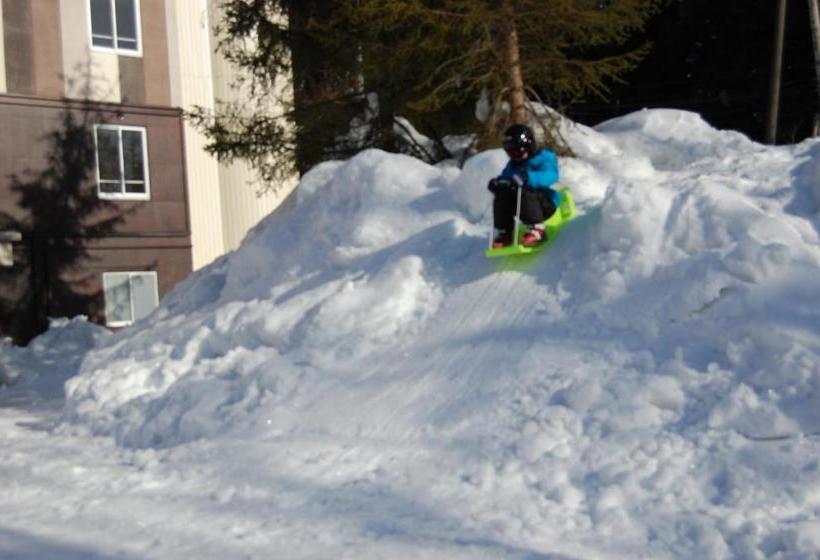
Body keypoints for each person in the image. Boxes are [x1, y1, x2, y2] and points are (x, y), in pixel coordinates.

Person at [487, 124, 561, 248]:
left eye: (518, 153)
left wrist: (528, 177)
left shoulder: (544, 159)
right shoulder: (513, 165)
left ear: (529, 146)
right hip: (523, 209)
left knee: (525, 188)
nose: (515, 157)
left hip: (546, 206)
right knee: (503, 192)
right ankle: (505, 232)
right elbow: (506, 178)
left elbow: (551, 175)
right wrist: (497, 183)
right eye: (511, 154)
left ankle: (538, 230)